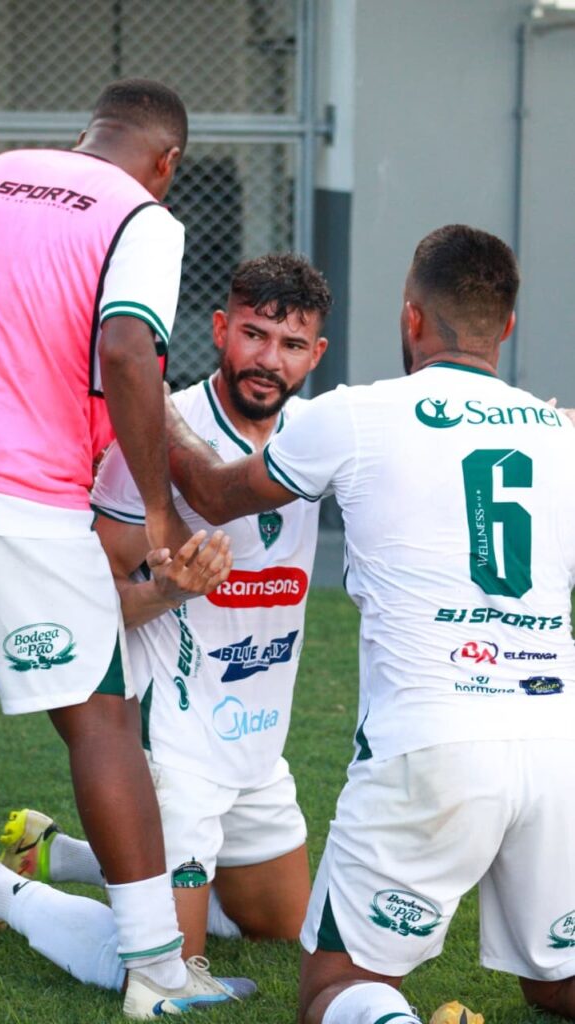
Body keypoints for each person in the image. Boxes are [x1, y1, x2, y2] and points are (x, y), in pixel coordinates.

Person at [0, 79, 251, 1016]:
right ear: (167, 162)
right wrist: (164, 516)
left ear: (84, 134)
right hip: (16, 488)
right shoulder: (143, 216)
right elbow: (128, 351)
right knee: (101, 720)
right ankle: (156, 971)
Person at [159, 225, 575, 1023]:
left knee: (333, 988)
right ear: (509, 326)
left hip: (433, 738)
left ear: (411, 316)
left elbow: (211, 493)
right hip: (557, 739)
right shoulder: (561, 434)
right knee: (556, 981)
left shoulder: (354, 415)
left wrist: (152, 400)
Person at [0, 252, 332, 960]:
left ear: (317, 354)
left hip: (257, 751)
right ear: (220, 329)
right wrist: (168, 590)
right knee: (167, 963)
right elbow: (87, 607)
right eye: (254, 335)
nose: (269, 360)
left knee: (282, 927)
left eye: (291, 344)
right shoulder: (157, 436)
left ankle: (73, 856)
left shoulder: (317, 436)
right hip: (173, 750)